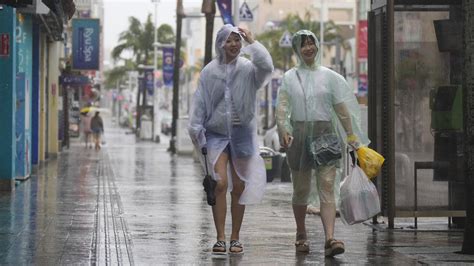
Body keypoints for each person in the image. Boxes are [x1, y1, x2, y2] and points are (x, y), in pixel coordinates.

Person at [275, 30, 369, 257]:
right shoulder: (289, 77)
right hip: (298, 134)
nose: (308, 48)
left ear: (317, 46)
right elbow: (283, 107)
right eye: (303, 45)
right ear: (297, 49)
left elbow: (341, 108)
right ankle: (301, 234)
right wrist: (284, 129)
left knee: (327, 186)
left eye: (311, 43)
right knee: (301, 188)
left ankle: (330, 238)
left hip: (325, 134)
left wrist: (351, 135)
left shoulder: (329, 76)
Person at [188, 24, 273, 254]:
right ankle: (220, 237)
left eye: (237, 40)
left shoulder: (248, 69)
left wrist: (253, 42)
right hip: (216, 135)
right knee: (220, 183)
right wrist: (196, 129)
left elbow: (267, 67)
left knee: (239, 186)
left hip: (242, 133)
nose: (233, 44)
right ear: (220, 43)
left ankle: (235, 237)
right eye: (228, 40)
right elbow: (200, 101)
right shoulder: (210, 71)